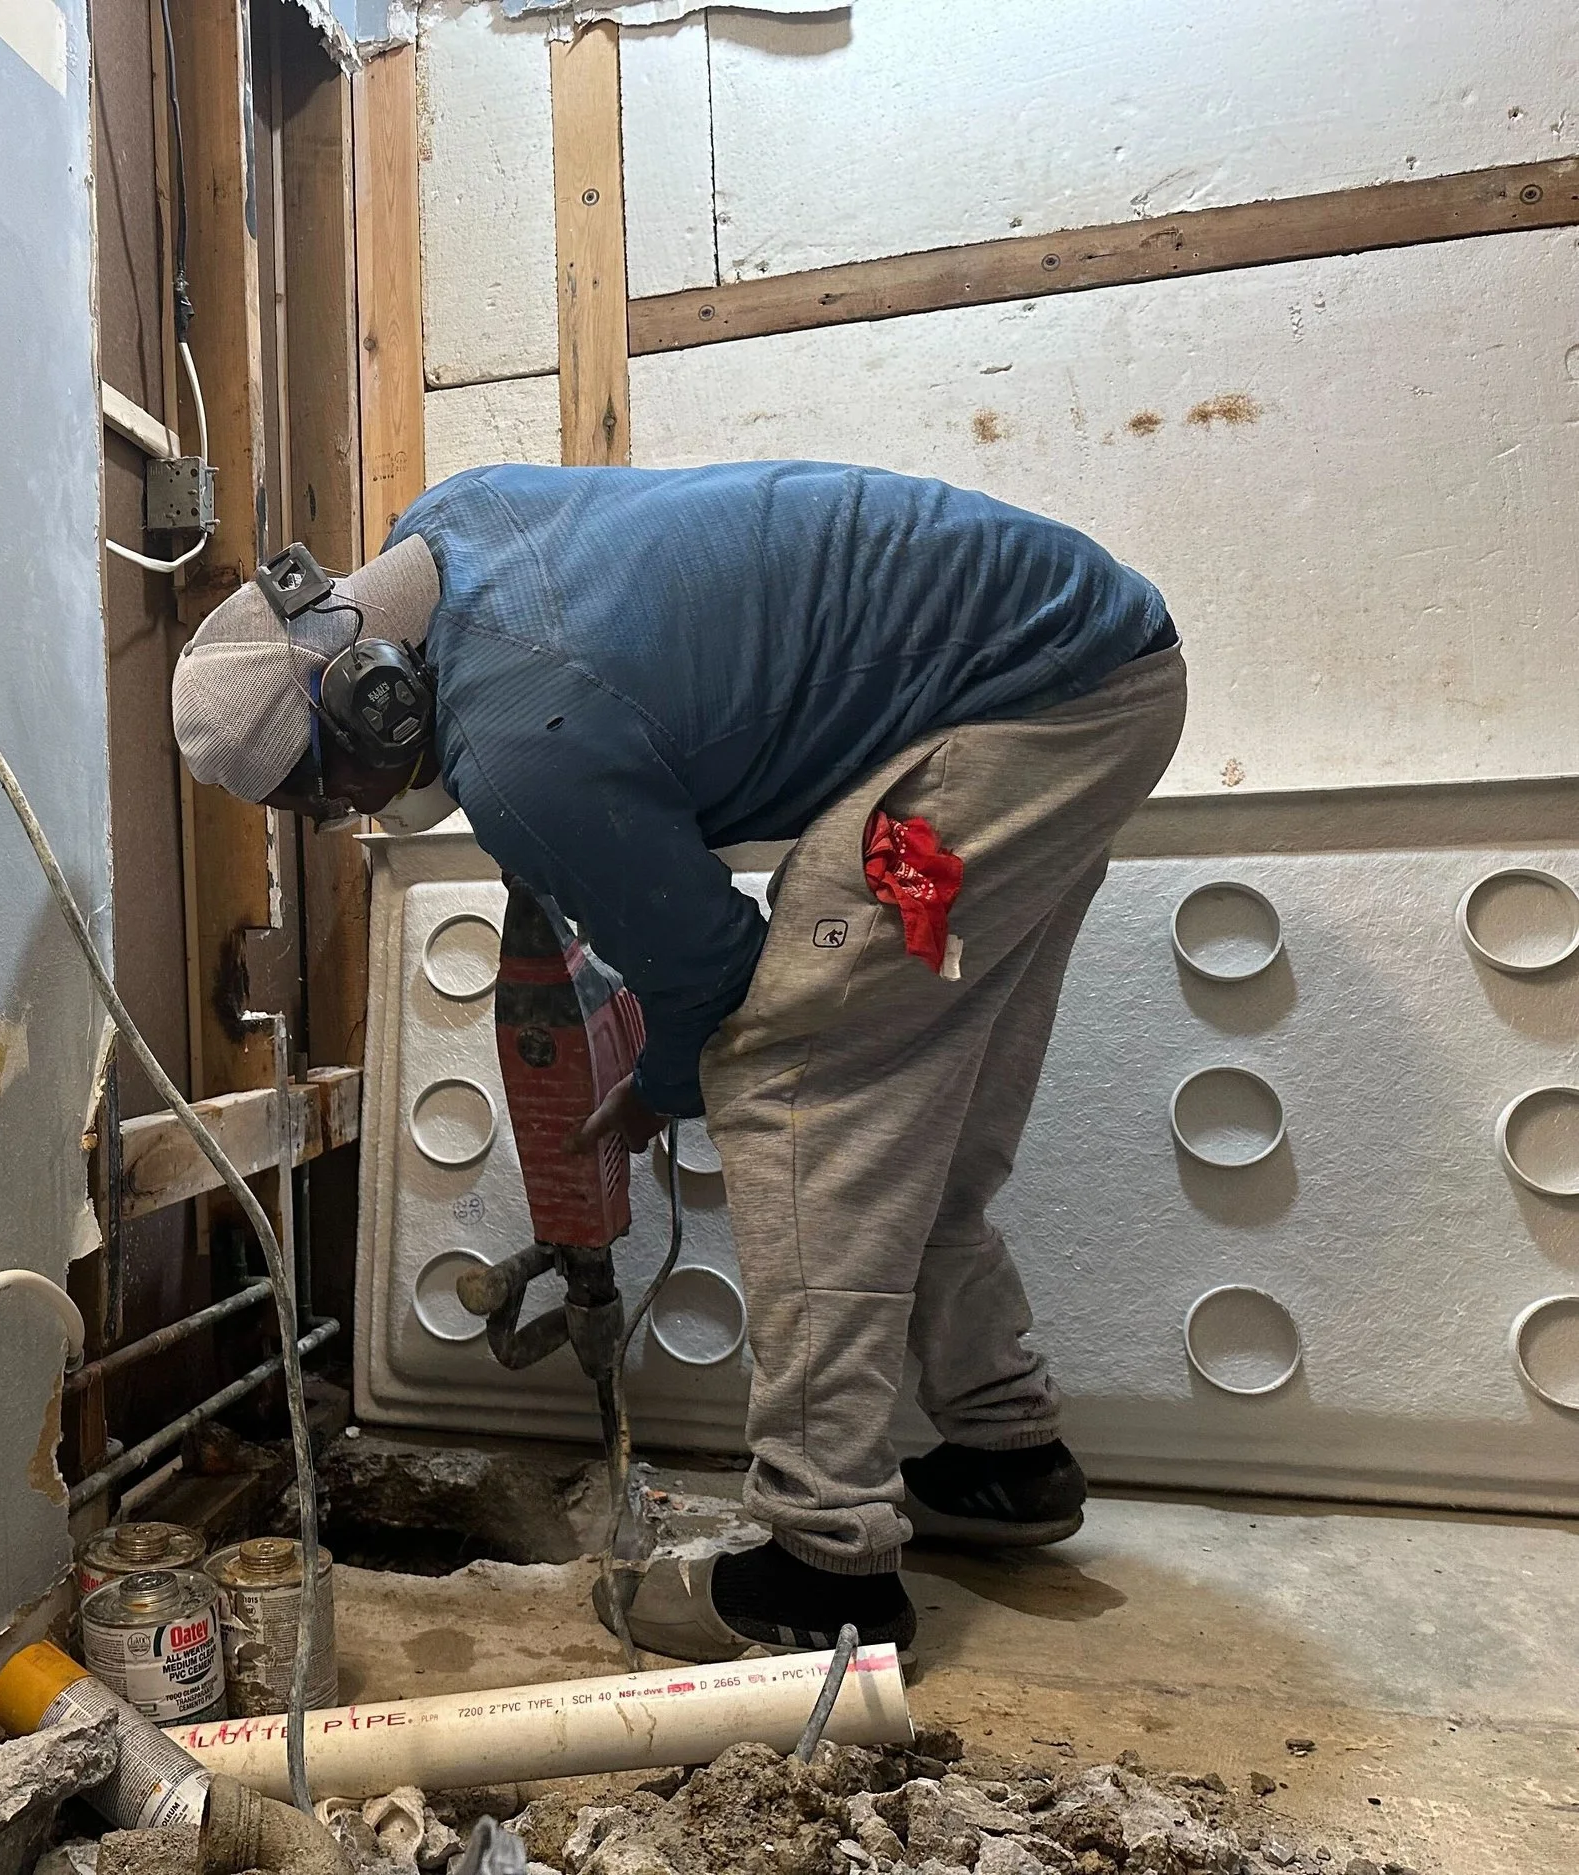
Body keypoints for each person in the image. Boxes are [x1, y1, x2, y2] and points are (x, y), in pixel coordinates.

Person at [169, 461, 1185, 1658]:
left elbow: (715, 972)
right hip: (1091, 667)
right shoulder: (451, 525)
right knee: (913, 1111)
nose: (349, 814)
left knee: (797, 1083)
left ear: (374, 698)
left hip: (1027, 704)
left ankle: (826, 1569)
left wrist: (656, 1087)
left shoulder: (518, 746)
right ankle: (1004, 1452)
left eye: (329, 790)